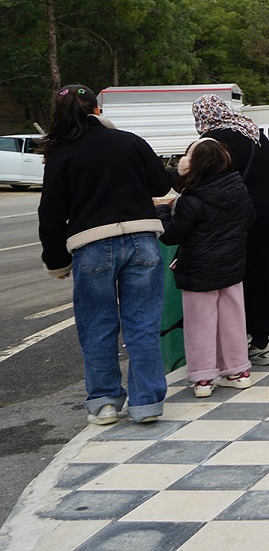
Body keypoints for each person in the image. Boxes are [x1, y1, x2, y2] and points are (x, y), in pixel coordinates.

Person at [39, 84, 175, 425]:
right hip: (143, 238)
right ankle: (146, 403)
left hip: (92, 243)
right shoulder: (129, 140)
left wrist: (57, 261)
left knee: (97, 324)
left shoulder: (61, 153)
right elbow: (160, 185)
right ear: (98, 109)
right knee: (142, 324)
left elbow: (51, 213)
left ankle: (104, 402)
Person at [193, 95, 269, 361]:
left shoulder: (212, 142)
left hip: (243, 218)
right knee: (266, 274)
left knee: (242, 279)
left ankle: (234, 347)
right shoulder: (252, 131)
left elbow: (202, 182)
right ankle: (262, 341)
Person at [156, 137, 256, 398]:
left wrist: (162, 212)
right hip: (232, 266)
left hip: (198, 271)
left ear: (193, 165)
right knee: (233, 321)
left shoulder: (191, 198)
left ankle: (203, 380)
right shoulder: (239, 189)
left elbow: (171, 235)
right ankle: (237, 372)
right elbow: (251, 219)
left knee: (200, 324)